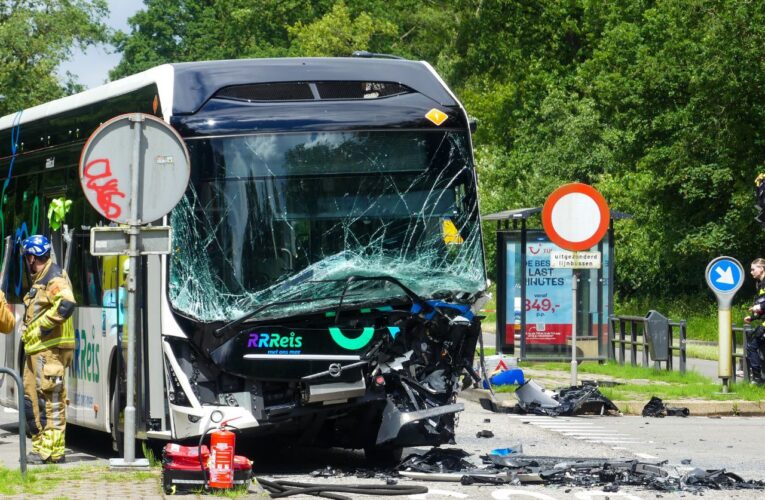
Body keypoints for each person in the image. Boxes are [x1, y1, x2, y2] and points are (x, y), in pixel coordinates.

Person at [20, 235, 76, 464]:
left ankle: (50, 452)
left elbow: (67, 303)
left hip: (50, 351)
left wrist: (43, 327)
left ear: (32, 258)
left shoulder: (54, 278)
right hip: (39, 350)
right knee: (31, 399)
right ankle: (42, 448)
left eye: (27, 258)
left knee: (49, 402)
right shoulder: (41, 278)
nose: (27, 262)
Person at [744, 258, 765, 384]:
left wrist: (759, 307)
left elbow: (762, 305)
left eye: (753, 269)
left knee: (752, 346)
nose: (751, 272)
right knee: (754, 345)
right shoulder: (759, 284)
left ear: (762, 268)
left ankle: (757, 378)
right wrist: (752, 317)